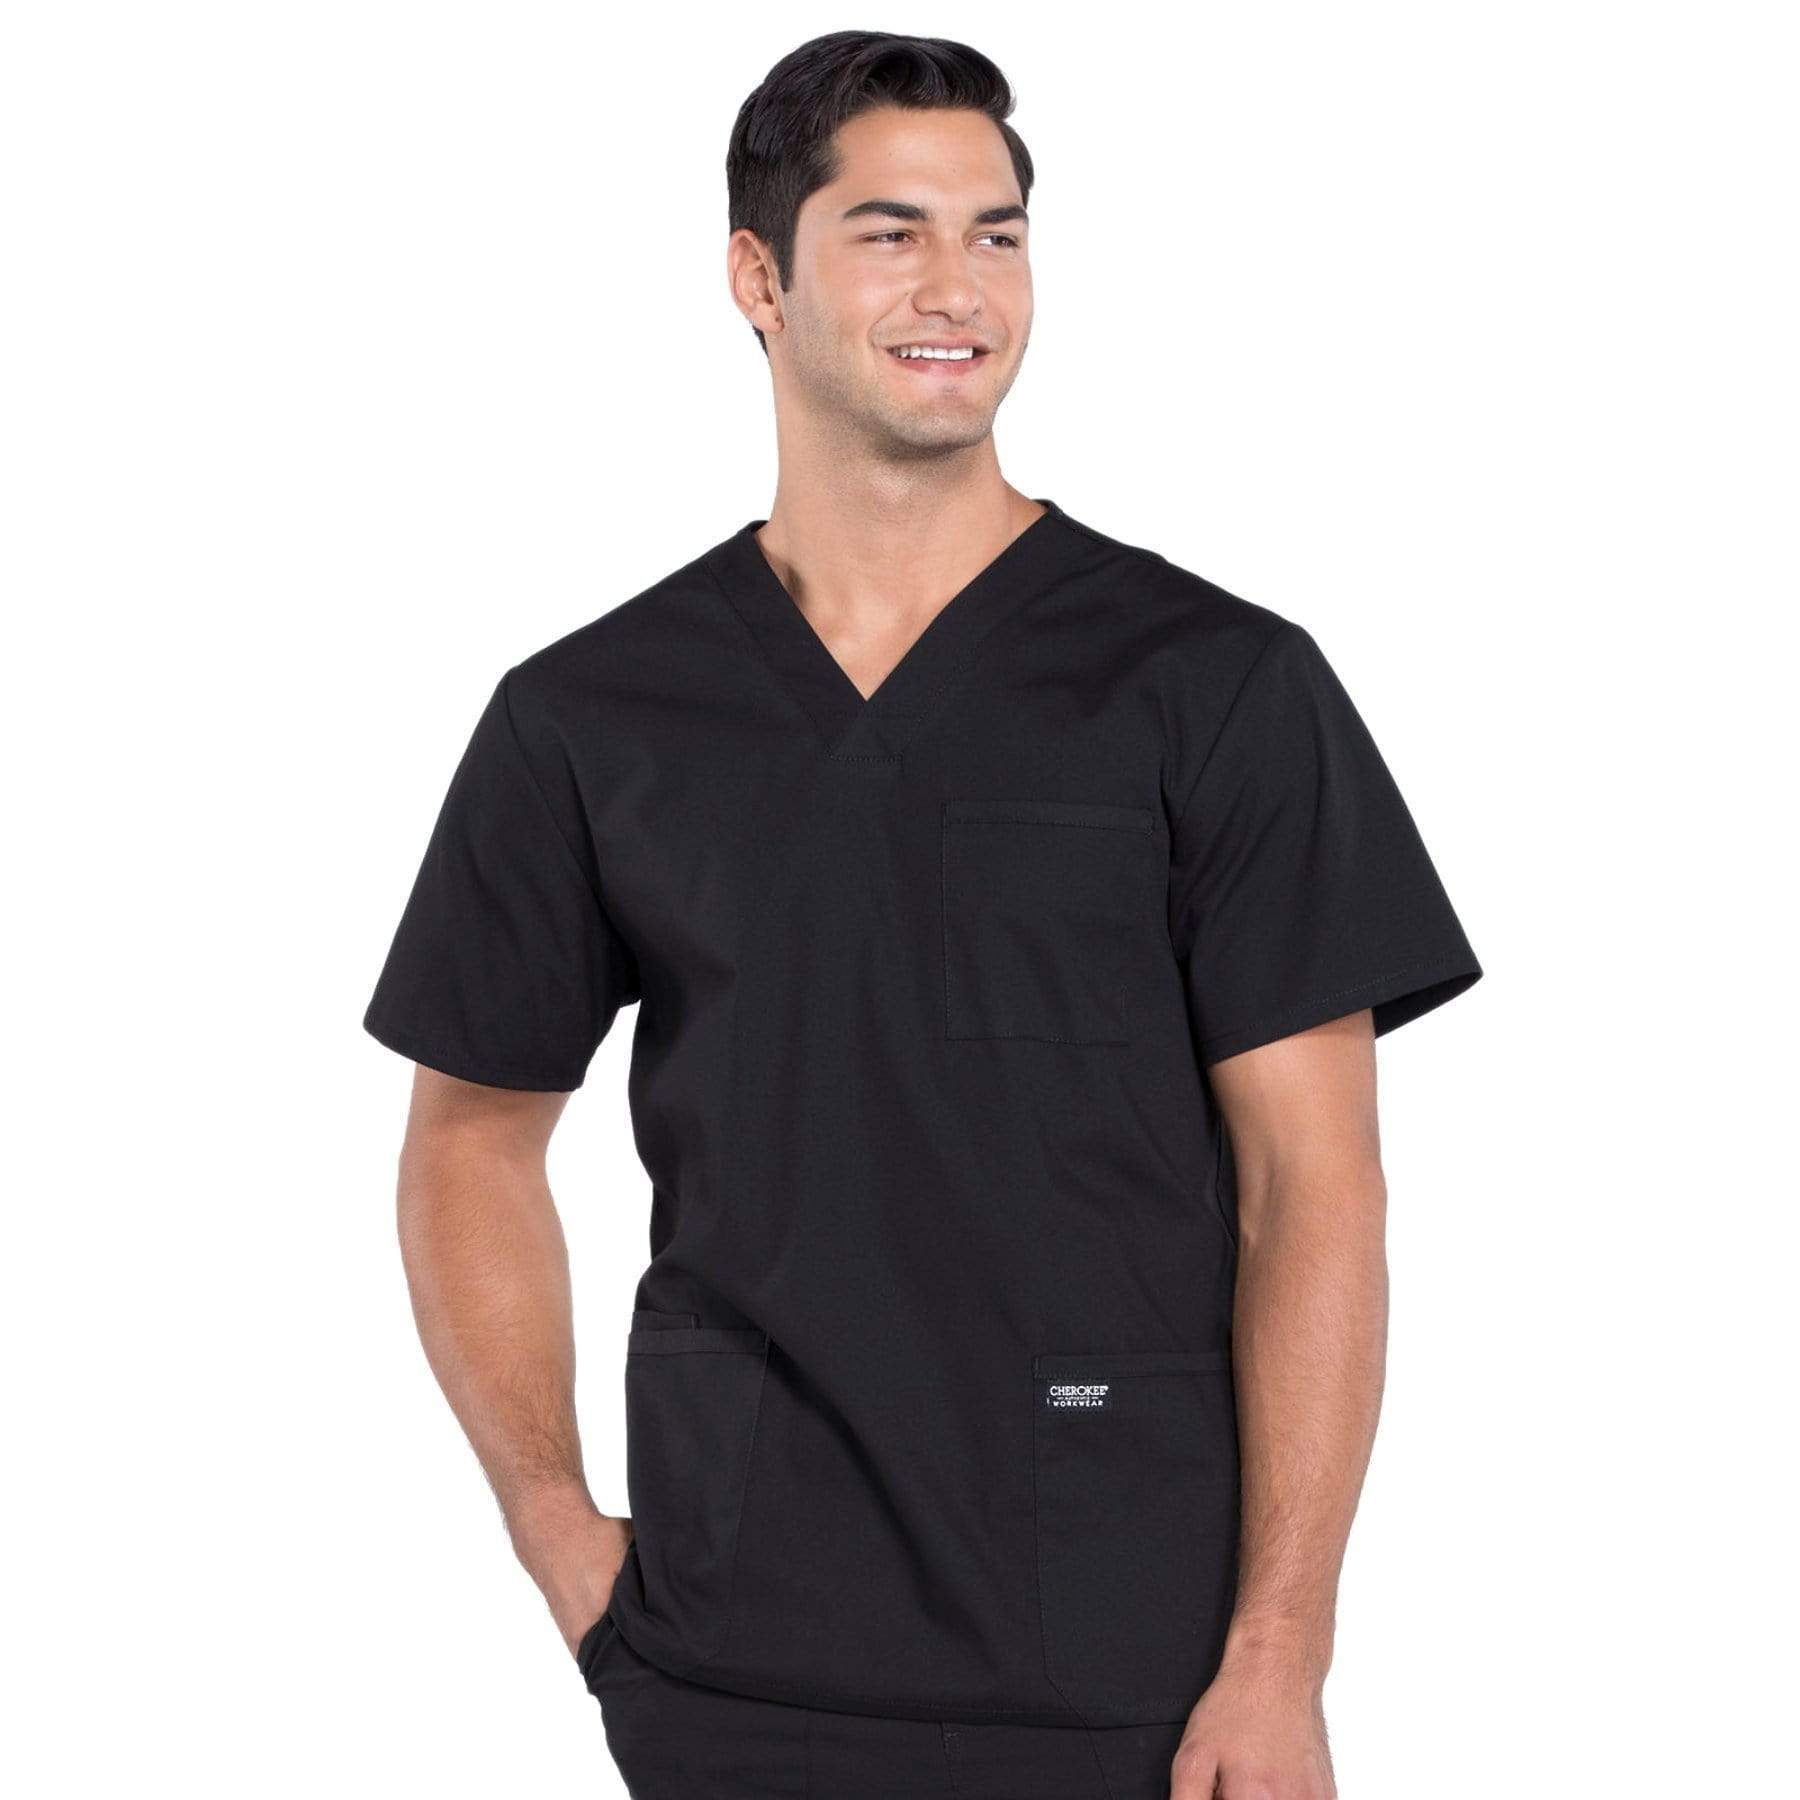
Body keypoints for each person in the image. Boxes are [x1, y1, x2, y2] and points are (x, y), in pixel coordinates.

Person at [363, 28, 1482, 1800]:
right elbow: (469, 1140)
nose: (958, 288)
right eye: (890, 233)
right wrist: (558, 1534)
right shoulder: (594, 715)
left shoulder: (1215, 686)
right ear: (759, 279)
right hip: (727, 1658)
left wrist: (1282, 1652)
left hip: (1132, 1661)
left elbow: (1316, 1190)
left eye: (997, 235)